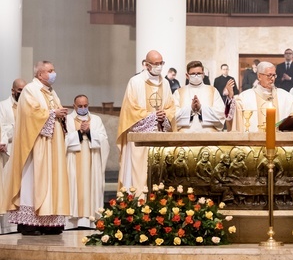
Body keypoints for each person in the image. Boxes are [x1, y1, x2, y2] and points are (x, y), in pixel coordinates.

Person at [4, 61, 70, 235]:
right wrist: (52, 114)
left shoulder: (51, 92)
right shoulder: (30, 90)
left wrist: (61, 115)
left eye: (53, 70)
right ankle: (30, 224)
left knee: (51, 180)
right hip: (36, 146)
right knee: (33, 179)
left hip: (52, 146)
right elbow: (29, 115)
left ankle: (49, 223)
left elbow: (53, 112)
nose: (53, 73)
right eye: (50, 71)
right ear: (40, 74)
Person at [117, 50, 176, 196]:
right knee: (138, 176)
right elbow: (130, 110)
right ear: (146, 65)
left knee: (159, 177)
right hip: (139, 140)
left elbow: (171, 107)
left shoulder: (166, 84)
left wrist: (164, 116)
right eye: (155, 64)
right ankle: (137, 206)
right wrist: (153, 116)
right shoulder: (135, 82)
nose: (159, 66)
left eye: (161, 63)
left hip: (159, 139)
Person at [65, 94, 109, 229]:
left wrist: (89, 132)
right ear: (74, 106)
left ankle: (90, 220)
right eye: (80, 106)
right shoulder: (67, 120)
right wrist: (79, 133)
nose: (83, 108)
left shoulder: (96, 119)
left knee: (91, 186)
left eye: (85, 106)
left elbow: (104, 140)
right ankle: (72, 222)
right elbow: (62, 139)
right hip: (73, 159)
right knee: (73, 186)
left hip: (92, 160)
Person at [231, 61, 293, 131]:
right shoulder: (244, 98)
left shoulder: (286, 97)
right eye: (269, 75)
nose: (272, 79)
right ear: (259, 76)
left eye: (274, 75)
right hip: (254, 141)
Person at [174, 60, 230, 132]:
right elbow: (173, 116)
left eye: (199, 73)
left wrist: (201, 108)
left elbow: (221, 114)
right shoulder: (179, 92)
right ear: (187, 75)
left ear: (203, 74)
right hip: (184, 138)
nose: (196, 76)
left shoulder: (212, 91)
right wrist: (190, 109)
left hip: (208, 137)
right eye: (193, 74)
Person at [0, 79, 26, 233]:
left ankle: (23, 223)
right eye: (19, 90)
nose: (22, 93)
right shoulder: (3, 106)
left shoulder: (28, 107)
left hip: (24, 153)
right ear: (13, 90)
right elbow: (2, 127)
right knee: (6, 188)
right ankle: (7, 226)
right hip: (7, 153)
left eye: (24, 90)